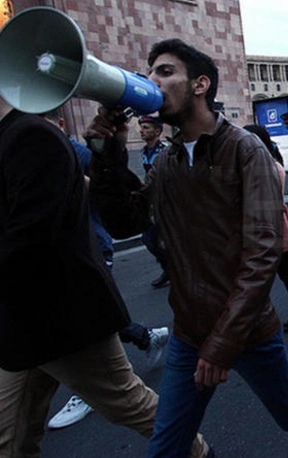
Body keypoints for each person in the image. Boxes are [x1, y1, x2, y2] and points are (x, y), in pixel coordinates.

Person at [87, 39, 288, 458]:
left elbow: (262, 254)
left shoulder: (245, 149)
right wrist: (106, 153)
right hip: (190, 333)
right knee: (166, 446)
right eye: (149, 72)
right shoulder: (168, 162)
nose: (152, 80)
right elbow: (126, 222)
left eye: (165, 72)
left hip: (246, 332)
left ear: (200, 84)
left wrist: (223, 343)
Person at [0, 97, 210, 458]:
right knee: (10, 438)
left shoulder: (31, 135)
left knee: (127, 402)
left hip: (61, 318)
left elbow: (38, 236)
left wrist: (106, 151)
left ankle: (200, 453)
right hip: (20, 322)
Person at [41, 110, 169, 431]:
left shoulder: (238, 148)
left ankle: (91, 384)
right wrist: (106, 150)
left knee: (91, 319)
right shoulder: (165, 161)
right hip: (33, 279)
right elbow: (127, 215)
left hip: (84, 251)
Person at [244, 124, 288, 332]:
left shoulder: (269, 166)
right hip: (261, 229)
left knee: (284, 273)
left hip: (273, 228)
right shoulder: (254, 164)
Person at [138, 115, 172, 288]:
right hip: (153, 203)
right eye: (142, 127)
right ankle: (169, 268)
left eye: (146, 128)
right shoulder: (145, 151)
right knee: (149, 238)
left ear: (157, 131)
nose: (142, 131)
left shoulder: (166, 150)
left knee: (170, 239)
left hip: (168, 202)